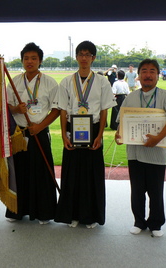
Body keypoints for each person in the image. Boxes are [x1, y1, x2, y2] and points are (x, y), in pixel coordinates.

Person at [115, 59, 166, 237]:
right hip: (135, 153)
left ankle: (156, 223)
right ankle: (139, 221)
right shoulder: (131, 97)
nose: (148, 75)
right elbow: (121, 123)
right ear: (139, 76)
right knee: (137, 190)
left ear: (158, 75)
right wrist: (119, 135)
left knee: (155, 191)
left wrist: (158, 138)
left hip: (157, 153)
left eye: (152, 71)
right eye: (144, 71)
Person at [55, 41, 116, 228]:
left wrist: (100, 136)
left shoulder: (102, 81)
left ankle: (90, 216)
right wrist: (64, 135)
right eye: (81, 54)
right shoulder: (66, 81)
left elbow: (105, 109)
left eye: (88, 55)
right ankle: (72, 215)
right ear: (76, 57)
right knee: (72, 174)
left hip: (94, 129)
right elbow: (63, 110)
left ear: (93, 58)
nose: (84, 58)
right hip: (73, 130)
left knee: (92, 175)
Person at [5, 42, 59, 224]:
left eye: (34, 58)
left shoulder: (50, 83)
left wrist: (40, 126)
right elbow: (7, 107)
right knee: (18, 172)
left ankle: (43, 212)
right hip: (20, 134)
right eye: (26, 58)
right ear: (21, 61)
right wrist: (16, 109)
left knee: (42, 172)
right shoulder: (14, 82)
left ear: (40, 61)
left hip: (39, 131)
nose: (30, 61)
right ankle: (17, 211)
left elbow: (56, 109)